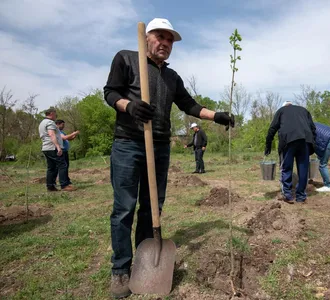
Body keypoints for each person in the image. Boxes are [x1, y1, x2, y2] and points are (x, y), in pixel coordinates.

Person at [103, 18, 235, 299]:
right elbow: (110, 93)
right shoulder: (126, 59)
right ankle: (120, 269)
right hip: (128, 143)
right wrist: (130, 106)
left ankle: (143, 257)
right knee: (124, 208)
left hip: (160, 147)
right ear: (147, 37)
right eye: (160, 37)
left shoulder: (171, 77)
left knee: (152, 207)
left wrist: (217, 116)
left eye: (170, 40)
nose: (165, 43)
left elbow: (189, 105)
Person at [265, 101, 316, 204]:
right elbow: (313, 128)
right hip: (305, 140)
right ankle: (301, 196)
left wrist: (268, 144)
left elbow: (273, 128)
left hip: (288, 140)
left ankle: (287, 195)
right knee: (303, 169)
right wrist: (312, 143)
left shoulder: (281, 110)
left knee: (286, 167)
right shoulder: (304, 110)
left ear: (284, 106)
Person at [38, 108, 76, 192]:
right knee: (62, 165)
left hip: (46, 147)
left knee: (51, 167)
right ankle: (64, 185)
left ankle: (50, 186)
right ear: (51, 113)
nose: (56, 116)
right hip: (52, 147)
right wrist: (58, 146)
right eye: (55, 114)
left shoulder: (42, 123)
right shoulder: (50, 122)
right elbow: (51, 134)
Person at [55, 120, 80, 185]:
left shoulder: (62, 132)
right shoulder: (57, 132)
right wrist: (73, 133)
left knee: (66, 166)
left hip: (65, 151)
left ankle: (66, 180)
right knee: (63, 166)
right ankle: (63, 181)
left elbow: (69, 139)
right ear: (57, 124)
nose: (63, 126)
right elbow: (65, 138)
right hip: (61, 151)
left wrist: (74, 136)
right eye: (62, 125)